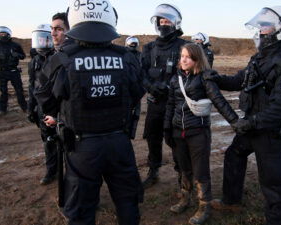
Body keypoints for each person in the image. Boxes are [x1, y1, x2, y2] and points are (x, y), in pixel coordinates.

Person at [39, 1, 145, 224]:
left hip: (82, 148)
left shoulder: (62, 58)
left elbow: (45, 102)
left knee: (81, 212)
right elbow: (137, 92)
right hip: (119, 142)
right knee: (127, 203)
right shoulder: (127, 57)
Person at [204, 6, 281, 225]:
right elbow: (240, 81)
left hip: (270, 131)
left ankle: (274, 219)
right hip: (250, 125)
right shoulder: (258, 58)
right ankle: (231, 200)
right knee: (233, 156)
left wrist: (251, 123)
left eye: (265, 26)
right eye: (260, 26)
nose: (260, 31)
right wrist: (217, 78)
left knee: (272, 178)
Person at [165, 43, 238, 224]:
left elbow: (219, 101)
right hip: (178, 132)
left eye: (188, 57)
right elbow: (170, 105)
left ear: (197, 59)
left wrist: (236, 122)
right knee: (184, 168)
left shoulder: (205, 78)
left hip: (198, 132)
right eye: (182, 56)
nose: (183, 59)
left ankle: (204, 206)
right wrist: (167, 128)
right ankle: (185, 198)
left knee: (201, 172)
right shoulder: (175, 79)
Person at [141, 3, 189, 188]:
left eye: (167, 20)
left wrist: (170, 87)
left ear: (175, 23)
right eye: (161, 20)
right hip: (154, 103)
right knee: (153, 138)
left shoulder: (184, 46)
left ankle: (182, 176)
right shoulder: (149, 48)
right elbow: (141, 72)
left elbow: (189, 72)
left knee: (176, 140)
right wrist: (151, 87)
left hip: (175, 104)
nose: (163, 24)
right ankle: (153, 171)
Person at [27, 24, 57, 185]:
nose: (42, 42)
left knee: (66, 141)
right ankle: (52, 171)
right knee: (48, 141)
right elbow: (32, 87)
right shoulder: (33, 62)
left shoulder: (58, 57)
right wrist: (30, 108)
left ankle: (71, 173)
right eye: (40, 39)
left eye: (46, 39)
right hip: (42, 109)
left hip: (58, 108)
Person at [0, 26, 27, 117]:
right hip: (2, 71)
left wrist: (17, 55)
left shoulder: (15, 45)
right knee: (2, 91)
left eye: (4, 33)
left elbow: (23, 56)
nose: (3, 35)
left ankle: (24, 107)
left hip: (14, 71)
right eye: (1, 33)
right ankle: (2, 109)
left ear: (8, 34)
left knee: (19, 90)